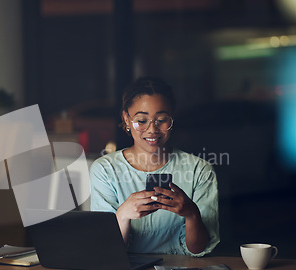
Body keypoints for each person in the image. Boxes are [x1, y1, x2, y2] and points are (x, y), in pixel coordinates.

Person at [90, 77, 219, 256]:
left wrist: (192, 214)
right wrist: (123, 215)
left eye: (161, 119)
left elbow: (197, 249)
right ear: (126, 119)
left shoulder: (199, 170)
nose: (152, 129)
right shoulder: (105, 169)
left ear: (172, 117)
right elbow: (107, 251)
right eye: (142, 120)